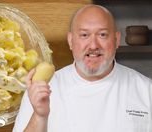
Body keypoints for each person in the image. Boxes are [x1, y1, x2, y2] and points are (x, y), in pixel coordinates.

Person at [13, 4, 152, 132]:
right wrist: (39, 116)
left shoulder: (146, 90)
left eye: (102, 35)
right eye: (84, 35)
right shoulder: (41, 90)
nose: (93, 45)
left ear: (116, 40)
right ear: (70, 41)